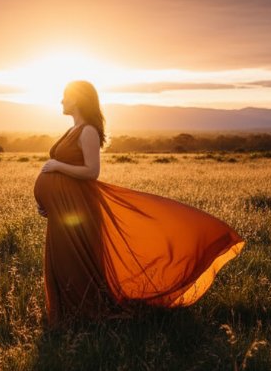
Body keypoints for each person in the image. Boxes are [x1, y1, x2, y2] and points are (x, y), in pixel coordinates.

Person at [33, 80, 245, 326]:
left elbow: (92, 172)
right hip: (65, 212)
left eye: (65, 96)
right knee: (62, 263)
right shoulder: (71, 130)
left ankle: (83, 320)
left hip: (80, 212)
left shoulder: (87, 131)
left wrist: (57, 166)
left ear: (79, 99)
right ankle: (68, 318)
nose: (61, 101)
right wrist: (50, 203)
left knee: (75, 265)